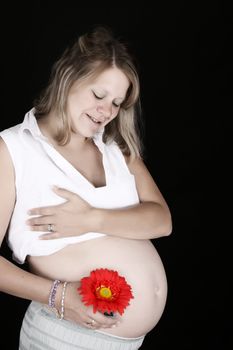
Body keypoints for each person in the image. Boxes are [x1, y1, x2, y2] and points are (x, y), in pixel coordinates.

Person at [0, 26, 172, 350]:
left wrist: (90, 218)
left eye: (117, 103)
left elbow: (162, 220)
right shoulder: (13, 149)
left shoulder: (115, 148)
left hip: (127, 342)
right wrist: (59, 295)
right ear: (68, 77)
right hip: (63, 335)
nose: (106, 111)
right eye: (99, 95)